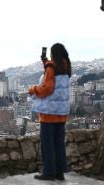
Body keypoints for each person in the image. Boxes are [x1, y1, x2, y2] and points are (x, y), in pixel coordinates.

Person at [28, 43, 71, 181]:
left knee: (48, 144)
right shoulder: (65, 66)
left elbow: (47, 88)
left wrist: (33, 90)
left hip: (49, 113)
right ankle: (59, 172)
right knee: (59, 143)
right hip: (61, 114)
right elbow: (53, 72)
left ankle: (49, 172)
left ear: (53, 54)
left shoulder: (51, 68)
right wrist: (45, 62)